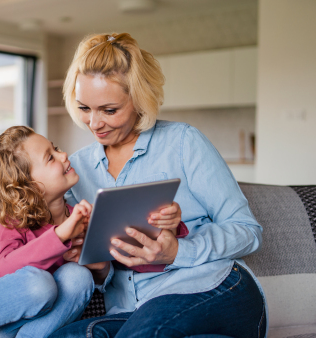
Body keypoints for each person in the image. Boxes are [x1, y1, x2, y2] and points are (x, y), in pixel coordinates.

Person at [48, 33, 267, 338]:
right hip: (131, 311)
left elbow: (247, 230)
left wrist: (177, 251)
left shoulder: (183, 142)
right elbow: (101, 270)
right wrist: (94, 263)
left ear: (139, 100)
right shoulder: (77, 169)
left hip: (212, 288)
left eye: (109, 110)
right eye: (84, 108)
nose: (94, 123)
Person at [0, 126, 184, 338]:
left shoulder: (81, 215)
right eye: (50, 157)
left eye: (57, 149)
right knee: (38, 283)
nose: (64, 156)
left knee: (79, 276)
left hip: (32, 330)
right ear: (29, 185)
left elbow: (126, 260)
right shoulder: (16, 219)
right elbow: (5, 268)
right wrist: (60, 236)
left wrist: (100, 267)